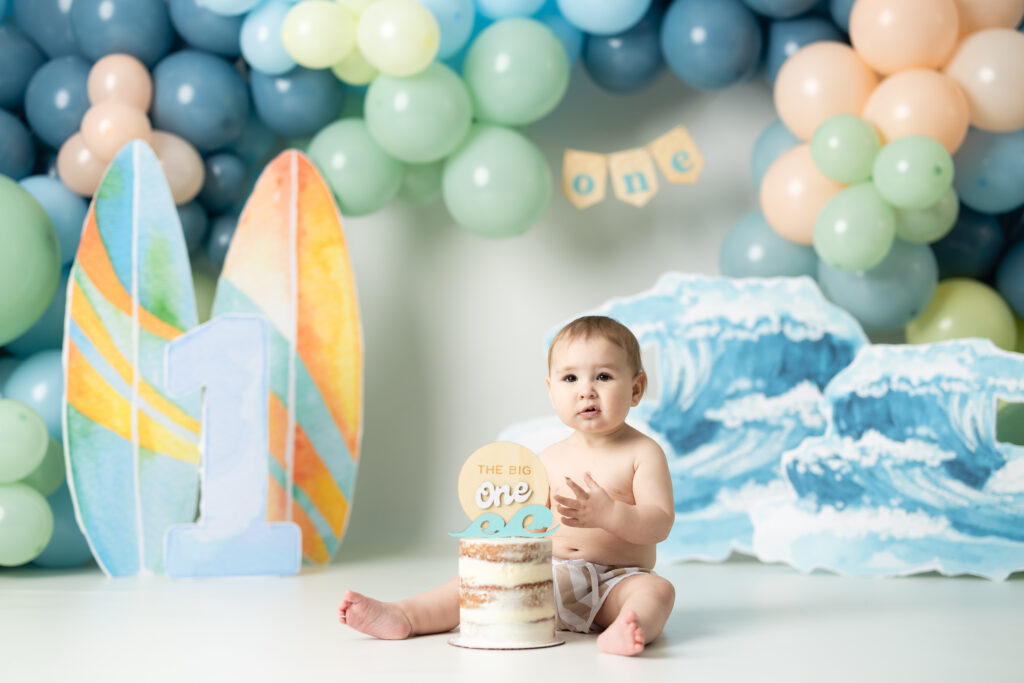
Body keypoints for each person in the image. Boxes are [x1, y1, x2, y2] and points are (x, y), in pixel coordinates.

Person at [339, 315, 676, 656]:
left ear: (635, 389)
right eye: (570, 377)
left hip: (616, 583)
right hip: (550, 579)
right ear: (551, 390)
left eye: (603, 376)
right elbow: (530, 524)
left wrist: (611, 513)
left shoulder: (643, 454)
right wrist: (506, 531)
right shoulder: (548, 457)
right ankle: (406, 614)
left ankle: (628, 626)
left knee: (657, 591)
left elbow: (659, 522)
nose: (585, 390)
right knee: (482, 583)